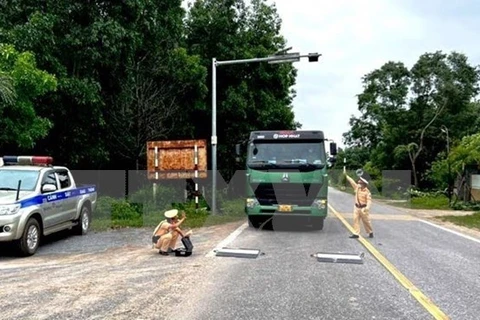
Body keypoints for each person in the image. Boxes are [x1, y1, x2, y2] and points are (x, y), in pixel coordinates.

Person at [344, 168, 374, 239]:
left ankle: (370, 231)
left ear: (364, 184)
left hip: (363, 208)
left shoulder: (367, 192)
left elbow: (369, 201)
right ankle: (356, 233)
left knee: (366, 221)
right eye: (359, 181)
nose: (358, 182)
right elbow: (352, 182)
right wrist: (346, 175)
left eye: (360, 182)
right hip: (356, 207)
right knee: (355, 220)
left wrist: (367, 208)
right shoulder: (357, 188)